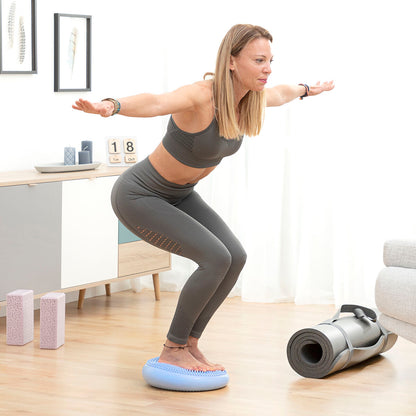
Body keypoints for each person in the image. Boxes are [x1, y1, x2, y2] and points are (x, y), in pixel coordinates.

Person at [73, 24, 334, 372]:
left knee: (235, 256)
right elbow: (156, 101)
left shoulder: (251, 99)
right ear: (231, 61)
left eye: (270, 60)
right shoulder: (200, 95)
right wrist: (111, 105)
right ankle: (172, 347)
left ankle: (190, 342)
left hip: (179, 195)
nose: (268, 68)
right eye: (259, 60)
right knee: (214, 257)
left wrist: (305, 89)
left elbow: (283, 92)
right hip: (140, 194)